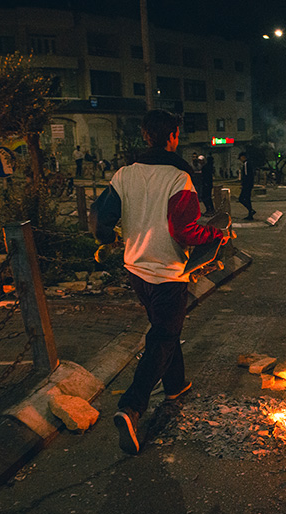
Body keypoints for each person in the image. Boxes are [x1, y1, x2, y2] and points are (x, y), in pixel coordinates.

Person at [91, 109, 229, 455]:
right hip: (167, 272)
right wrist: (216, 234)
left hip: (135, 270)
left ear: (145, 136)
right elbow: (185, 230)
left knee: (165, 329)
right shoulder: (178, 178)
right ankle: (131, 407)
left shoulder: (123, 175)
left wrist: (108, 237)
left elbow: (100, 216)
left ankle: (176, 384)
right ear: (173, 137)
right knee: (163, 336)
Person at [238, 152, 255, 220]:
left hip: (247, 185)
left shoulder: (246, 164)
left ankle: (251, 210)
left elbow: (247, 176)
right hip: (248, 184)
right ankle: (250, 213)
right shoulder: (248, 164)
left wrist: (244, 185)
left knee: (241, 198)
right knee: (247, 199)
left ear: (243, 157)